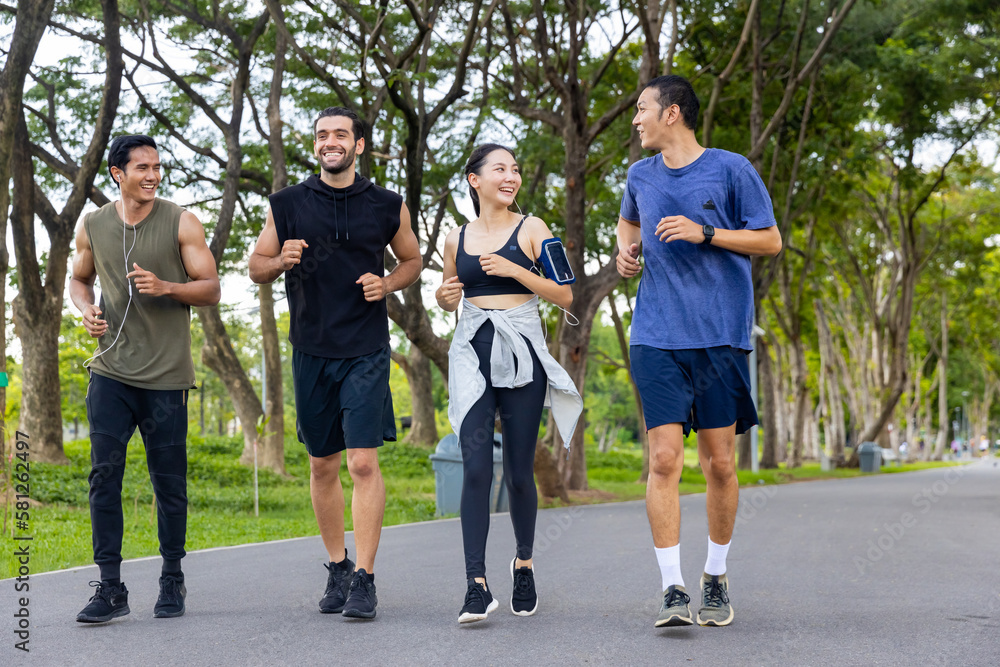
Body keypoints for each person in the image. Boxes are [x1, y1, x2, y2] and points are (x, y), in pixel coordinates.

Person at [616, 75, 781, 628]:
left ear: (673, 113)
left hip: (720, 336)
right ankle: (672, 588)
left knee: (719, 462)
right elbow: (627, 223)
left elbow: (769, 240)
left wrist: (705, 232)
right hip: (656, 334)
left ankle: (714, 575)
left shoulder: (732, 169)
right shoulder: (639, 174)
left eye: (642, 109)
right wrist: (626, 255)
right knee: (663, 459)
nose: (635, 119)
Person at [249, 107, 421, 620]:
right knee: (322, 463)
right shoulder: (287, 204)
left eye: (340, 135)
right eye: (323, 135)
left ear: (359, 145)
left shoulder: (388, 206)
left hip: (367, 349)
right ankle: (338, 566)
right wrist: (280, 260)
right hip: (310, 349)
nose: (330, 142)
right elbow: (256, 265)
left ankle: (365, 579)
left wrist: (388, 283)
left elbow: (410, 260)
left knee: (362, 462)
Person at [69, 134, 221, 622]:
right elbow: (79, 278)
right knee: (104, 477)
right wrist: (85, 308)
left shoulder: (181, 221)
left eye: (157, 167)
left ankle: (172, 576)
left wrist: (168, 287)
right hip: (110, 372)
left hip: (165, 378)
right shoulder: (93, 224)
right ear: (118, 173)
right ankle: (110, 587)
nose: (153, 175)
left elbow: (212, 288)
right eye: (142, 168)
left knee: (168, 483)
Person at [436, 143, 583, 624]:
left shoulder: (533, 229)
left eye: (515, 169)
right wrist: (443, 295)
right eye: (500, 168)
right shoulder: (455, 238)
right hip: (473, 355)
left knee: (519, 471)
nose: (511, 176)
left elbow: (565, 292)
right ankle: (475, 585)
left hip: (523, 357)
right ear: (474, 179)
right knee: (475, 467)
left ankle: (523, 563)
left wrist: (517, 269)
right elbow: (447, 296)